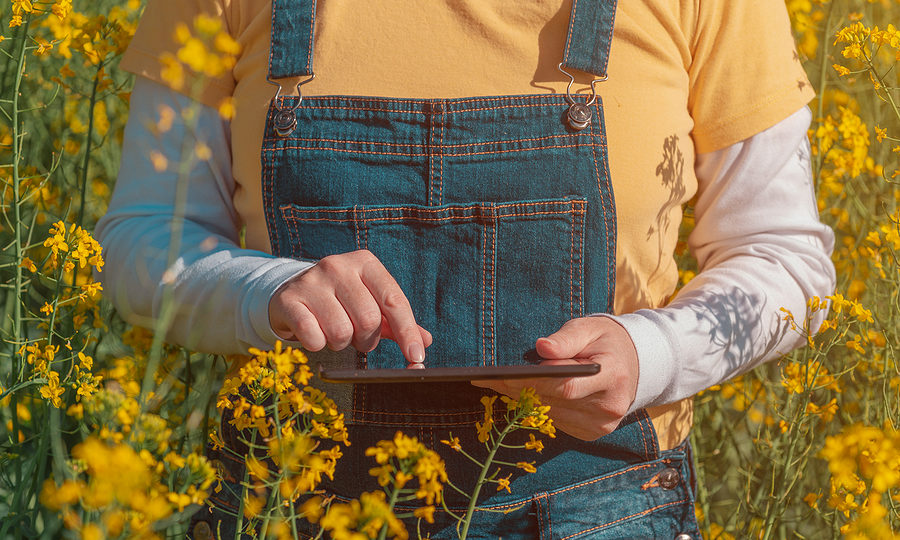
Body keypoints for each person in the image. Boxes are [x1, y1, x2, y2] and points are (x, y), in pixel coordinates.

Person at [97, 0, 836, 537]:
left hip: (600, 508)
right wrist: (269, 291)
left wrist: (652, 353)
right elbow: (144, 240)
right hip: (297, 503)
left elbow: (782, 256)